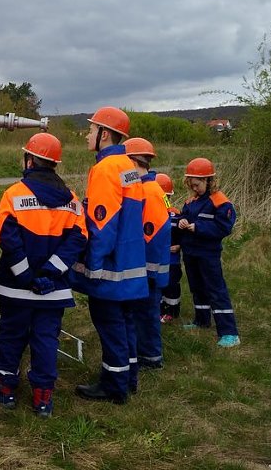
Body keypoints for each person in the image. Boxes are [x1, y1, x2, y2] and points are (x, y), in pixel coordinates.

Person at [0, 133, 87, 418]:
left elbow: (6, 236)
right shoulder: (72, 199)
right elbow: (78, 239)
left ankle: (4, 390)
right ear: (54, 164)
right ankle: (43, 399)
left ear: (29, 159)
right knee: (46, 340)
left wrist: (27, 275)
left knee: (11, 336)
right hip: (53, 290)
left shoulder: (14, 194)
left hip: (16, 288)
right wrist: (50, 273)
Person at [70, 106, 147, 404]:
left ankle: (113, 386)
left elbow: (102, 222)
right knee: (126, 322)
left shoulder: (105, 169)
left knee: (110, 323)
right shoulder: (128, 166)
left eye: (91, 130)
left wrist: (93, 264)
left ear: (104, 133)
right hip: (130, 261)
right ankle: (129, 378)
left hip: (111, 266)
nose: (87, 135)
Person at [179, 158, 240, 347]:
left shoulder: (220, 202)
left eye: (196, 185)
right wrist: (182, 222)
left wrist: (197, 228)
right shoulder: (191, 201)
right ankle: (202, 320)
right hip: (191, 252)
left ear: (208, 180)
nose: (194, 188)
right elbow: (184, 216)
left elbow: (224, 227)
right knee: (197, 288)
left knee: (215, 290)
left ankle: (229, 332)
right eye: (191, 185)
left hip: (208, 254)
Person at [123, 138, 171, 375]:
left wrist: (145, 270)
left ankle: (151, 357)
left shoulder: (149, 191)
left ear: (132, 162)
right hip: (150, 267)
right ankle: (147, 352)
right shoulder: (151, 188)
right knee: (143, 312)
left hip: (149, 269)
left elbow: (151, 233)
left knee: (146, 313)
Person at [156, 173, 184, 323]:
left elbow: (183, 236)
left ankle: (172, 311)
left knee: (171, 285)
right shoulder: (148, 213)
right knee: (157, 285)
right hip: (156, 259)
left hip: (172, 260)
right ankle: (159, 310)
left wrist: (179, 246)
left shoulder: (176, 214)